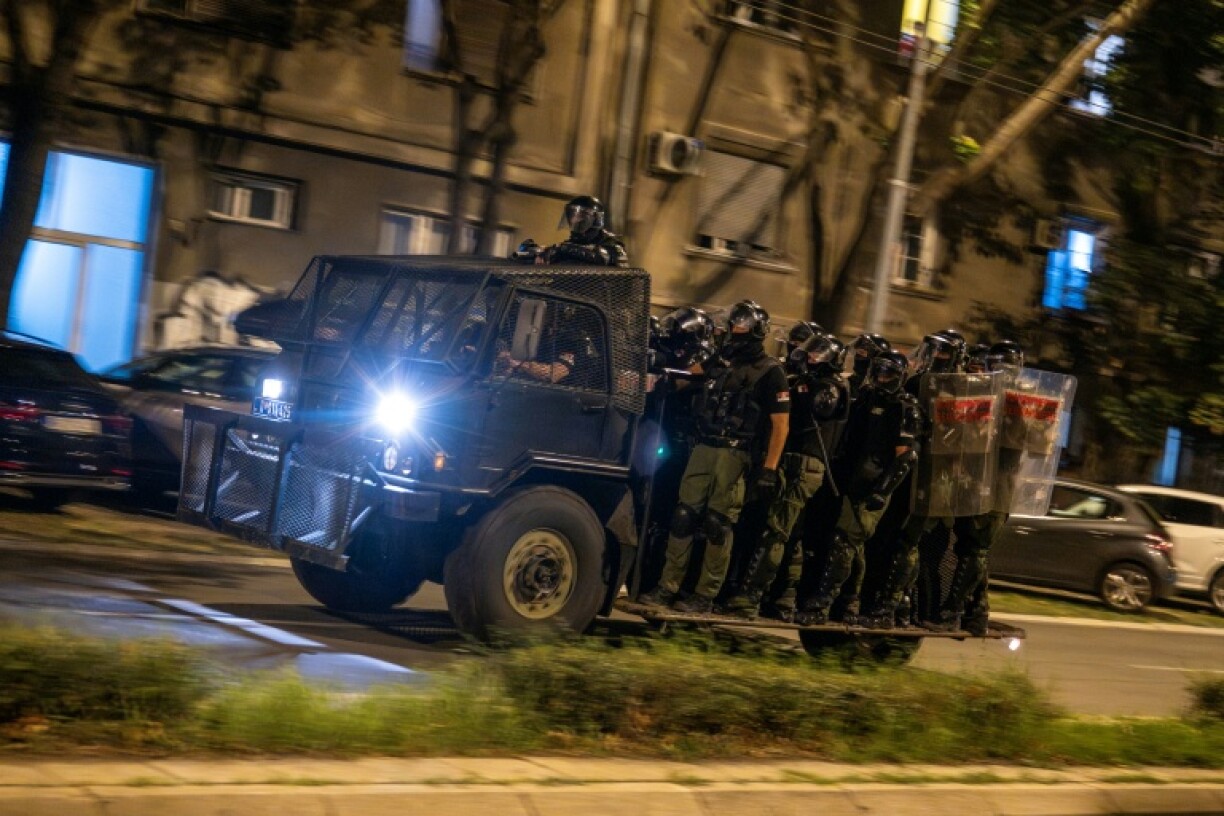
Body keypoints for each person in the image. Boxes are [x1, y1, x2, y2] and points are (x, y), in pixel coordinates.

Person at [638, 300, 790, 614]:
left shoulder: (771, 371)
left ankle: (705, 595)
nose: (733, 330)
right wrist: (660, 381)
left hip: (736, 453)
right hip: (704, 447)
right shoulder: (720, 359)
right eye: (732, 324)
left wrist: (769, 468)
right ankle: (667, 587)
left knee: (717, 523)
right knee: (683, 516)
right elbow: (687, 377)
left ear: (756, 331)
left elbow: (780, 425)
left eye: (741, 326)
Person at [720, 328, 849, 620]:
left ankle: (750, 597)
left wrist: (801, 383)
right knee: (789, 533)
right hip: (791, 460)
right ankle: (784, 598)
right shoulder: (805, 380)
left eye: (817, 354)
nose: (810, 357)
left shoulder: (831, 386)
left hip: (807, 464)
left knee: (775, 530)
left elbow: (820, 407)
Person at [795, 351, 919, 625]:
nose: (882, 378)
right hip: (852, 481)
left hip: (872, 486)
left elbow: (905, 456)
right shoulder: (866, 398)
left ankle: (822, 604)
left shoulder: (904, 406)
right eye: (879, 372)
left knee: (844, 541)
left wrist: (882, 490)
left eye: (888, 374)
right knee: (853, 545)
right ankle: (850, 602)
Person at [511, 195, 629, 267]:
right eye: (572, 216)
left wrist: (560, 249)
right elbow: (565, 251)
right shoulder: (573, 243)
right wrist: (540, 253)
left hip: (602, 299)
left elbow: (601, 257)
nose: (575, 220)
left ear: (595, 219)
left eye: (581, 216)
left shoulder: (612, 243)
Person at [846, 333, 891, 398]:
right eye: (859, 350)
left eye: (862, 352)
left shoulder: (877, 390)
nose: (857, 355)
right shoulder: (851, 381)